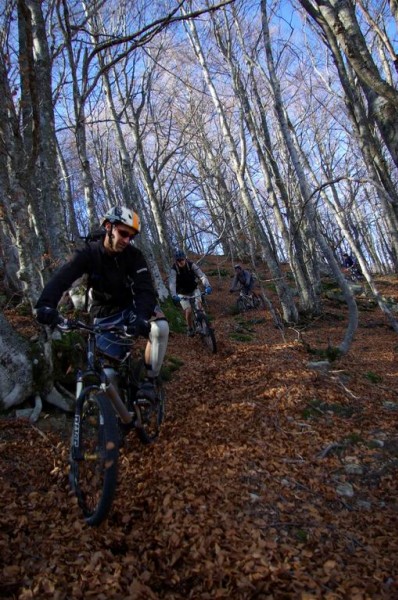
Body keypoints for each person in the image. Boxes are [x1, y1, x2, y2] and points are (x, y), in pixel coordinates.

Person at [35, 205, 169, 404]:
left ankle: (150, 381)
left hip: (131, 308)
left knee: (160, 328)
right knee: (108, 374)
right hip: (103, 314)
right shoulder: (89, 254)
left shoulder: (134, 256)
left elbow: (145, 289)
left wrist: (142, 316)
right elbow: (63, 276)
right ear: (108, 227)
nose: (126, 240)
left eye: (131, 237)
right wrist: (46, 304)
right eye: (123, 233)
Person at [169, 249, 212, 336]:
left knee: (199, 305)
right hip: (182, 293)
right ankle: (190, 328)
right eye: (178, 260)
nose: (181, 262)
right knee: (188, 311)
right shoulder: (173, 270)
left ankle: (207, 325)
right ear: (176, 261)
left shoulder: (191, 265)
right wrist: (173, 295)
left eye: (182, 259)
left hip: (194, 289)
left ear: (185, 258)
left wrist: (207, 286)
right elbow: (172, 283)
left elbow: (202, 275)